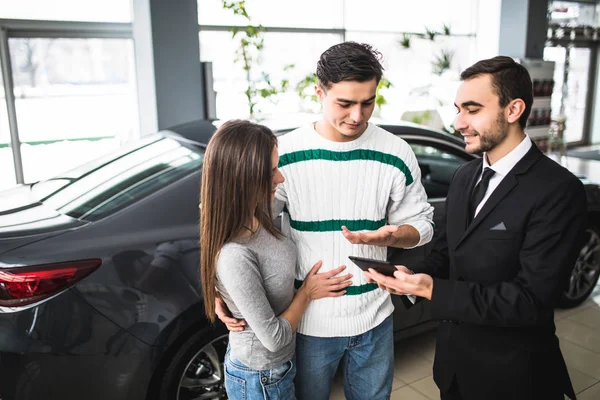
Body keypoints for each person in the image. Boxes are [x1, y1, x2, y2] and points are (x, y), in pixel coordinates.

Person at [217, 42, 435, 400]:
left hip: (376, 318)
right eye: (345, 103)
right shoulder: (284, 155)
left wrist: (393, 236)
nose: (357, 115)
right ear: (318, 92)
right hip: (309, 323)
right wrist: (217, 287)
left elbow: (422, 225)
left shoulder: (397, 152)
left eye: (368, 102)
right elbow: (240, 229)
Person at [364, 56, 586, 400]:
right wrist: (407, 276)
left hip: (515, 377)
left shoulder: (558, 190)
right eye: (458, 109)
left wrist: (433, 290)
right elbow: (446, 254)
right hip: (453, 368)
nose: (458, 123)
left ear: (513, 110)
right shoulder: (465, 176)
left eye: (472, 109)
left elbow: (530, 301)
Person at [200, 120, 353, 400]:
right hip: (260, 376)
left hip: (278, 369)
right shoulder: (235, 254)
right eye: (271, 171)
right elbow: (274, 339)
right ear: (243, 178)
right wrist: (307, 292)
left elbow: (209, 206)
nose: (280, 178)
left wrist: (217, 291)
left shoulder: (259, 214)